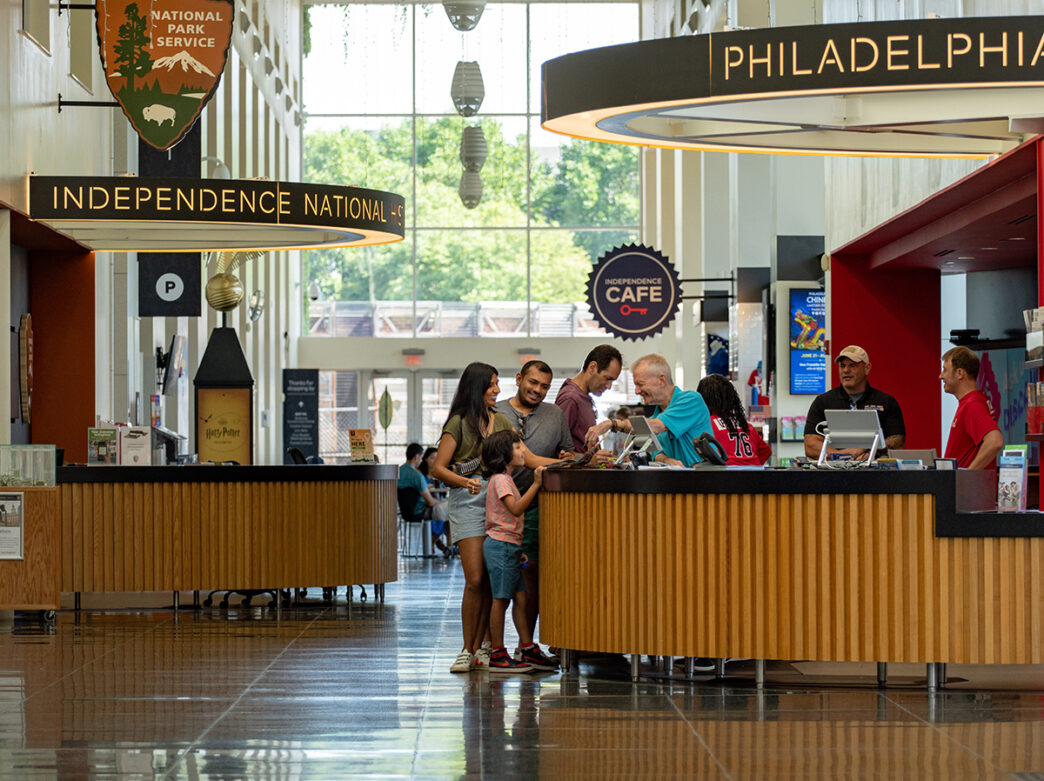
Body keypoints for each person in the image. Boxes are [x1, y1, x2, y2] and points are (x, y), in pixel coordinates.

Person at [431, 362, 514, 674]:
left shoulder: (502, 420)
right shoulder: (458, 423)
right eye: (492, 384)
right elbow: (438, 468)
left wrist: (566, 460)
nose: (497, 390)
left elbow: (523, 454)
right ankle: (467, 648)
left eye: (497, 383)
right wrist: (465, 481)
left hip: (498, 500)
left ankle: (485, 646)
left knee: (492, 579)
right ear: (477, 387)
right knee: (475, 579)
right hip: (467, 501)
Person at [494, 360, 574, 646]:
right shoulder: (497, 412)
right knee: (497, 585)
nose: (537, 390)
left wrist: (570, 458)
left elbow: (566, 452)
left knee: (531, 582)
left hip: (539, 509)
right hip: (497, 510)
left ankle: (525, 646)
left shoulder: (555, 415)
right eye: (533, 383)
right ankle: (489, 647)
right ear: (519, 379)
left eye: (544, 386)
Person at [479, 429, 558, 673]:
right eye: (517, 447)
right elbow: (515, 509)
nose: (523, 451)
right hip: (501, 545)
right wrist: (536, 484)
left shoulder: (505, 479)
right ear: (503, 454)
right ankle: (498, 654)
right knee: (501, 600)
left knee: (521, 598)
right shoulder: (501, 479)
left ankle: (527, 647)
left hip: (510, 546)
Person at [586, 353, 713, 467]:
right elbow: (654, 451)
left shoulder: (691, 400)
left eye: (640, 384)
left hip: (704, 485)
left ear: (661, 380)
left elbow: (655, 427)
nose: (636, 391)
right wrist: (666, 460)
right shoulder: (656, 416)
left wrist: (612, 424)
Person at [803, 345, 906, 460]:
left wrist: (866, 453)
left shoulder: (886, 402)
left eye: (852, 365)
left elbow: (898, 442)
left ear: (867, 368)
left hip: (876, 473)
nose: (846, 370)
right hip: (834, 474)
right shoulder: (823, 402)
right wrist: (842, 456)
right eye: (842, 366)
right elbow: (810, 446)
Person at [940, 346, 1003, 469]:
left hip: (969, 487)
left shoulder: (973, 404)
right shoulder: (971, 402)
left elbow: (995, 441)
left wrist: (968, 475)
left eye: (945, 370)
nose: (941, 376)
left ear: (959, 373)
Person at [556, 344, 623, 452]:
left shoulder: (583, 397)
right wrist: (589, 460)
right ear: (592, 368)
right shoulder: (571, 398)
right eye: (607, 378)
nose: (609, 386)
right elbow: (559, 453)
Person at [696, 374, 772, 466]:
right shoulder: (746, 425)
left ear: (703, 399)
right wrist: (750, 466)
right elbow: (766, 451)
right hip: (753, 476)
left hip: (726, 475)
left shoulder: (708, 424)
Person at [398, 444, 450, 557]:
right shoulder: (417, 476)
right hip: (419, 511)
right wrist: (442, 502)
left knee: (445, 511)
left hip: (404, 512)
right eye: (421, 457)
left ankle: (441, 545)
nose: (421, 460)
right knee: (451, 510)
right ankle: (450, 547)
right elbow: (431, 502)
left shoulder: (398, 472)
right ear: (417, 457)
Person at [418, 446, 452, 556]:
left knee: (449, 514)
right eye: (432, 458)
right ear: (426, 458)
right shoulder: (421, 476)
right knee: (443, 515)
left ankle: (447, 546)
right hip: (426, 504)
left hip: (438, 503)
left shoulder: (440, 474)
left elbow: (444, 491)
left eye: (437, 458)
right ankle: (436, 543)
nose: (435, 461)